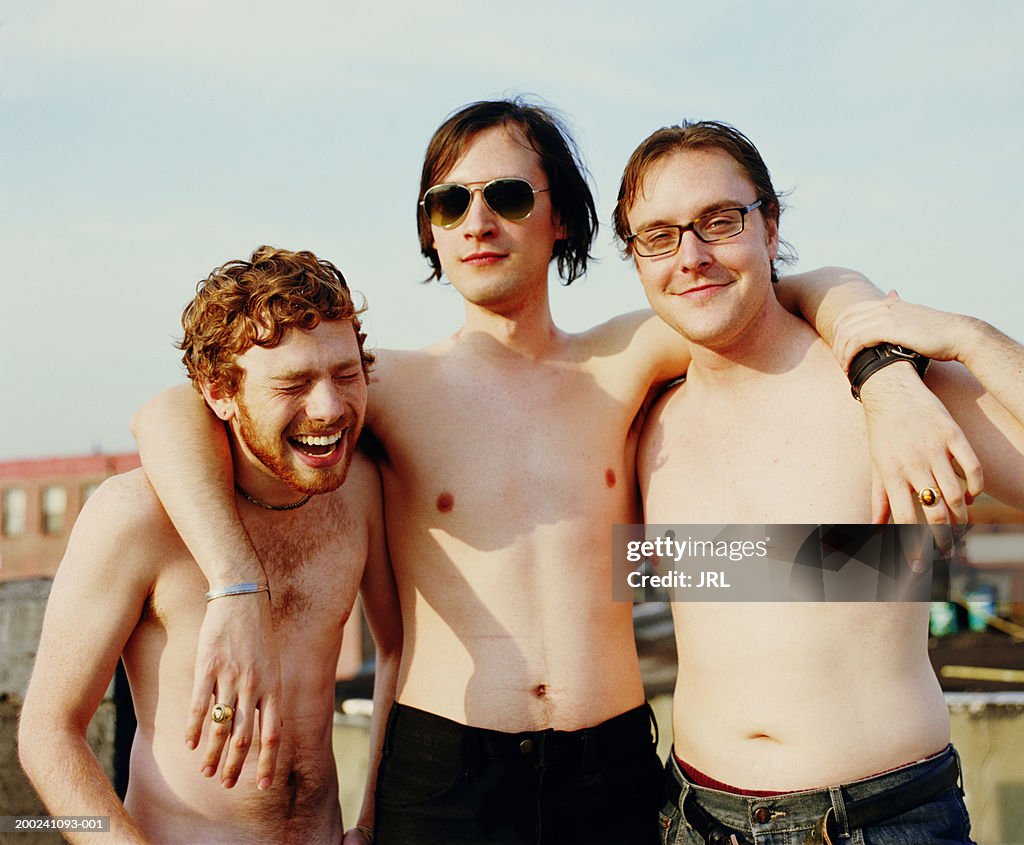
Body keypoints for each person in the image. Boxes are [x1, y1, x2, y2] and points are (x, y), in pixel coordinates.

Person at [130, 100, 978, 844]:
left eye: (506, 195)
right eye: (449, 202)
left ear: (560, 218)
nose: (477, 221)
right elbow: (172, 411)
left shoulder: (627, 354)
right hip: (446, 769)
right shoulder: (385, 383)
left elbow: (800, 286)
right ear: (429, 227)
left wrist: (885, 375)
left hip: (609, 768)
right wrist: (233, 582)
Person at [613, 120, 1024, 844]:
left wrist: (970, 336)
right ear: (638, 258)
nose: (692, 255)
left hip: (879, 820)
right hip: (695, 819)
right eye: (659, 235)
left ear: (770, 229)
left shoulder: (889, 395)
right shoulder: (647, 422)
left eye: (720, 221)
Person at [18, 247, 401, 845]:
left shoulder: (358, 493)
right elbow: (45, 735)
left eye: (346, 374)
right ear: (221, 393)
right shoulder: (135, 516)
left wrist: (373, 823)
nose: (328, 407)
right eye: (293, 384)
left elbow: (397, 652)